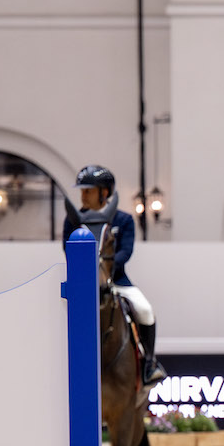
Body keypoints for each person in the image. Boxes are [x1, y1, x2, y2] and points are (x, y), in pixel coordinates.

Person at [63, 164, 166, 385]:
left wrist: (104, 270)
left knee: (145, 310)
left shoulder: (123, 220)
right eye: (82, 191)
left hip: (116, 280)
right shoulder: (72, 220)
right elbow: (67, 249)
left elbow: (125, 252)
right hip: (82, 283)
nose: (83, 196)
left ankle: (149, 364)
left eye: (88, 191)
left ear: (105, 192)